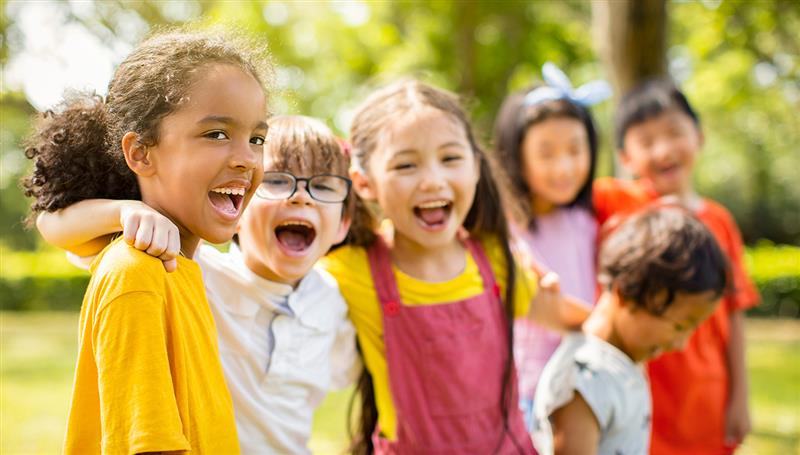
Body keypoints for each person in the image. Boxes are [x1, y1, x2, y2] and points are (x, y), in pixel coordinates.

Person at [35, 115, 361, 454]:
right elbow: (53, 226)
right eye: (277, 181)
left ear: (343, 224)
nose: (301, 198)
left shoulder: (334, 300)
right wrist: (125, 211)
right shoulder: (190, 268)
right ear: (234, 207)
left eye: (323, 187)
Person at [22, 28, 270, 454]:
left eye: (257, 139)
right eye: (216, 134)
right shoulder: (136, 274)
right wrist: (122, 211)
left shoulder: (182, 266)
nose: (246, 157)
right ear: (140, 154)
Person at [320, 80, 589, 454]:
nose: (433, 180)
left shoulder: (496, 258)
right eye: (406, 164)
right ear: (364, 183)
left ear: (476, 167)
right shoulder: (350, 271)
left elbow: (570, 319)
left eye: (450, 158)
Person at [593, 78, 760, 454]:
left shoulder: (721, 222)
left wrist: (741, 399)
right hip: (640, 393)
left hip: (707, 395)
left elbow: (734, 316)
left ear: (699, 136)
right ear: (625, 158)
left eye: (674, 133)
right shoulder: (619, 201)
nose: (664, 149)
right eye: (646, 142)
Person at [532, 206, 730, 455]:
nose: (681, 344)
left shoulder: (620, 360)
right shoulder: (583, 381)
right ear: (626, 294)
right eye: (679, 326)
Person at [493, 62, 610, 430]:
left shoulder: (586, 222)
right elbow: (546, 309)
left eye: (576, 150)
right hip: (528, 396)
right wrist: (617, 332)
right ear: (517, 155)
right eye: (546, 153)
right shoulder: (503, 230)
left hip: (587, 389)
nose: (564, 167)